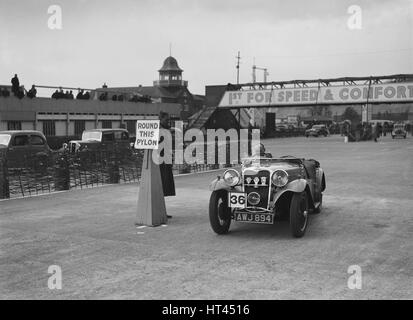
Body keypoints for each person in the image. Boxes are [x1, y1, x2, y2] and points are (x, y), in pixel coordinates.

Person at [159, 112, 176, 219]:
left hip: (165, 160)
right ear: (161, 119)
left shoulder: (165, 129)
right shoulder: (160, 130)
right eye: (166, 120)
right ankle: (160, 212)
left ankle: (162, 211)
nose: (168, 122)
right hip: (160, 162)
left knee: (164, 187)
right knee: (161, 186)